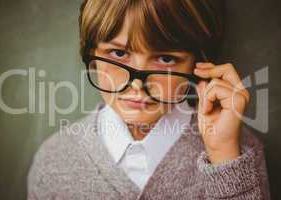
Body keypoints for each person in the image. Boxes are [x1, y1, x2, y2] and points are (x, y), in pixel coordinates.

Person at [28, 0, 271, 199]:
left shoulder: (237, 152)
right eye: (119, 53)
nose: (137, 84)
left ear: (198, 63)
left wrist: (223, 155)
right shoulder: (54, 160)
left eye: (165, 59)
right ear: (91, 53)